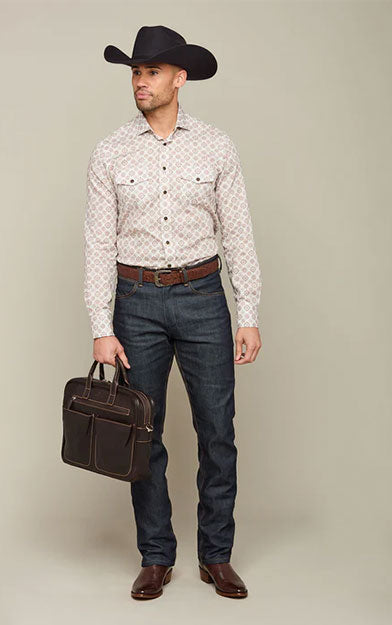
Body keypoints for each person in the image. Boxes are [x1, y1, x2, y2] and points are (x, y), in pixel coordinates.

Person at [83, 25, 262, 600]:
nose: (140, 81)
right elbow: (97, 244)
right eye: (135, 72)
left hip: (204, 297)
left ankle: (217, 556)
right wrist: (101, 326)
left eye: (151, 71)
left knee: (217, 433)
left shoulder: (216, 146)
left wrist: (249, 312)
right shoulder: (110, 152)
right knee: (145, 435)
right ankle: (156, 556)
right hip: (136, 303)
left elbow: (238, 234)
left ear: (179, 79)